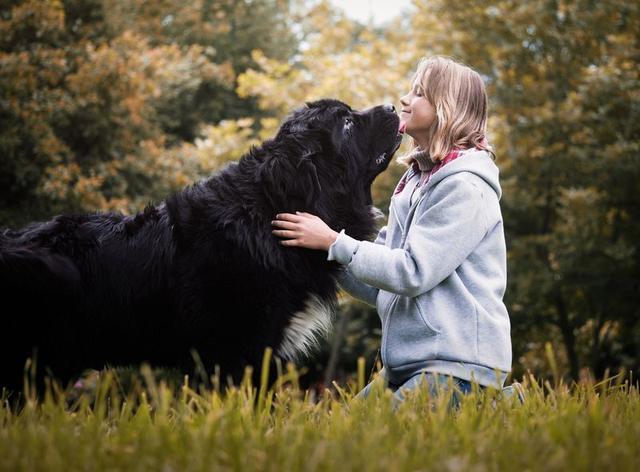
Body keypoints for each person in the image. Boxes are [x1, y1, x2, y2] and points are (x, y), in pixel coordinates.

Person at [271, 56, 519, 407]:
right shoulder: (416, 181)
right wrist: (322, 250)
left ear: (448, 108)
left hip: (457, 369)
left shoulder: (465, 188)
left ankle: (495, 404)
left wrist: (334, 241)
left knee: (362, 446)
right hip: (406, 366)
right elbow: (380, 282)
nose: (405, 99)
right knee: (331, 437)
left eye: (419, 93)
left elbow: (411, 272)